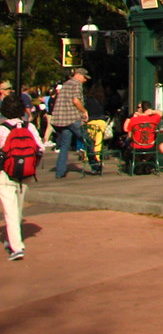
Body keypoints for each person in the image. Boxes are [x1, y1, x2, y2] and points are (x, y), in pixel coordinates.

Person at [0, 94, 42, 261]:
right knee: (18, 206)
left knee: (10, 209)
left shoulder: (2, 129)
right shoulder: (29, 127)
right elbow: (39, 148)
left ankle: (16, 246)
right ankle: (13, 239)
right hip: (26, 172)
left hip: (5, 173)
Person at [51, 68, 100, 177]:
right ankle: (95, 166)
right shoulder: (76, 84)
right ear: (79, 75)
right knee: (88, 141)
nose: (85, 80)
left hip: (62, 119)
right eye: (84, 78)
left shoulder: (66, 84)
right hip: (73, 118)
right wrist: (84, 111)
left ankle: (60, 171)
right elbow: (76, 100)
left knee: (64, 146)